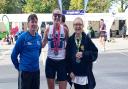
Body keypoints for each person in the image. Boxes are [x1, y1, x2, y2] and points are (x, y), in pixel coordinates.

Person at [11, 14, 42, 89]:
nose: (34, 24)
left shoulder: (38, 37)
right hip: (25, 72)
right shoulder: (22, 37)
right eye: (32, 22)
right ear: (28, 24)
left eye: (35, 22)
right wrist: (19, 67)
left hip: (36, 72)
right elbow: (13, 55)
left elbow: (39, 52)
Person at [66, 17, 98, 89]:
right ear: (73, 26)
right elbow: (67, 58)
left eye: (80, 24)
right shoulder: (70, 40)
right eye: (76, 24)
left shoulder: (87, 39)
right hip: (75, 76)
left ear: (83, 26)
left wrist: (84, 54)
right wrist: (69, 71)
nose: (78, 26)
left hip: (86, 75)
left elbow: (95, 53)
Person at [42, 8, 69, 89]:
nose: (57, 17)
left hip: (62, 62)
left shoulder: (64, 29)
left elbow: (69, 45)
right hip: (51, 61)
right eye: (55, 15)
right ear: (52, 17)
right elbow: (43, 44)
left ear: (61, 17)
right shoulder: (48, 29)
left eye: (59, 15)